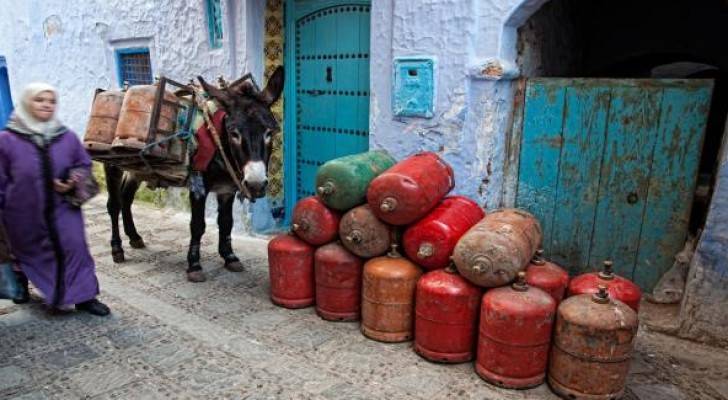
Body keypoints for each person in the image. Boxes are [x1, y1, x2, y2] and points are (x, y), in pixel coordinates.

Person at [0, 82, 109, 316]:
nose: (47, 105)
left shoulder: (66, 137)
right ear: (27, 103)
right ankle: (21, 284)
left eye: (51, 101)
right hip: (21, 212)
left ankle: (85, 296)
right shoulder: (6, 141)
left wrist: (72, 180)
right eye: (40, 100)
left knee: (76, 248)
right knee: (24, 252)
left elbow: (83, 163)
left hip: (63, 208)